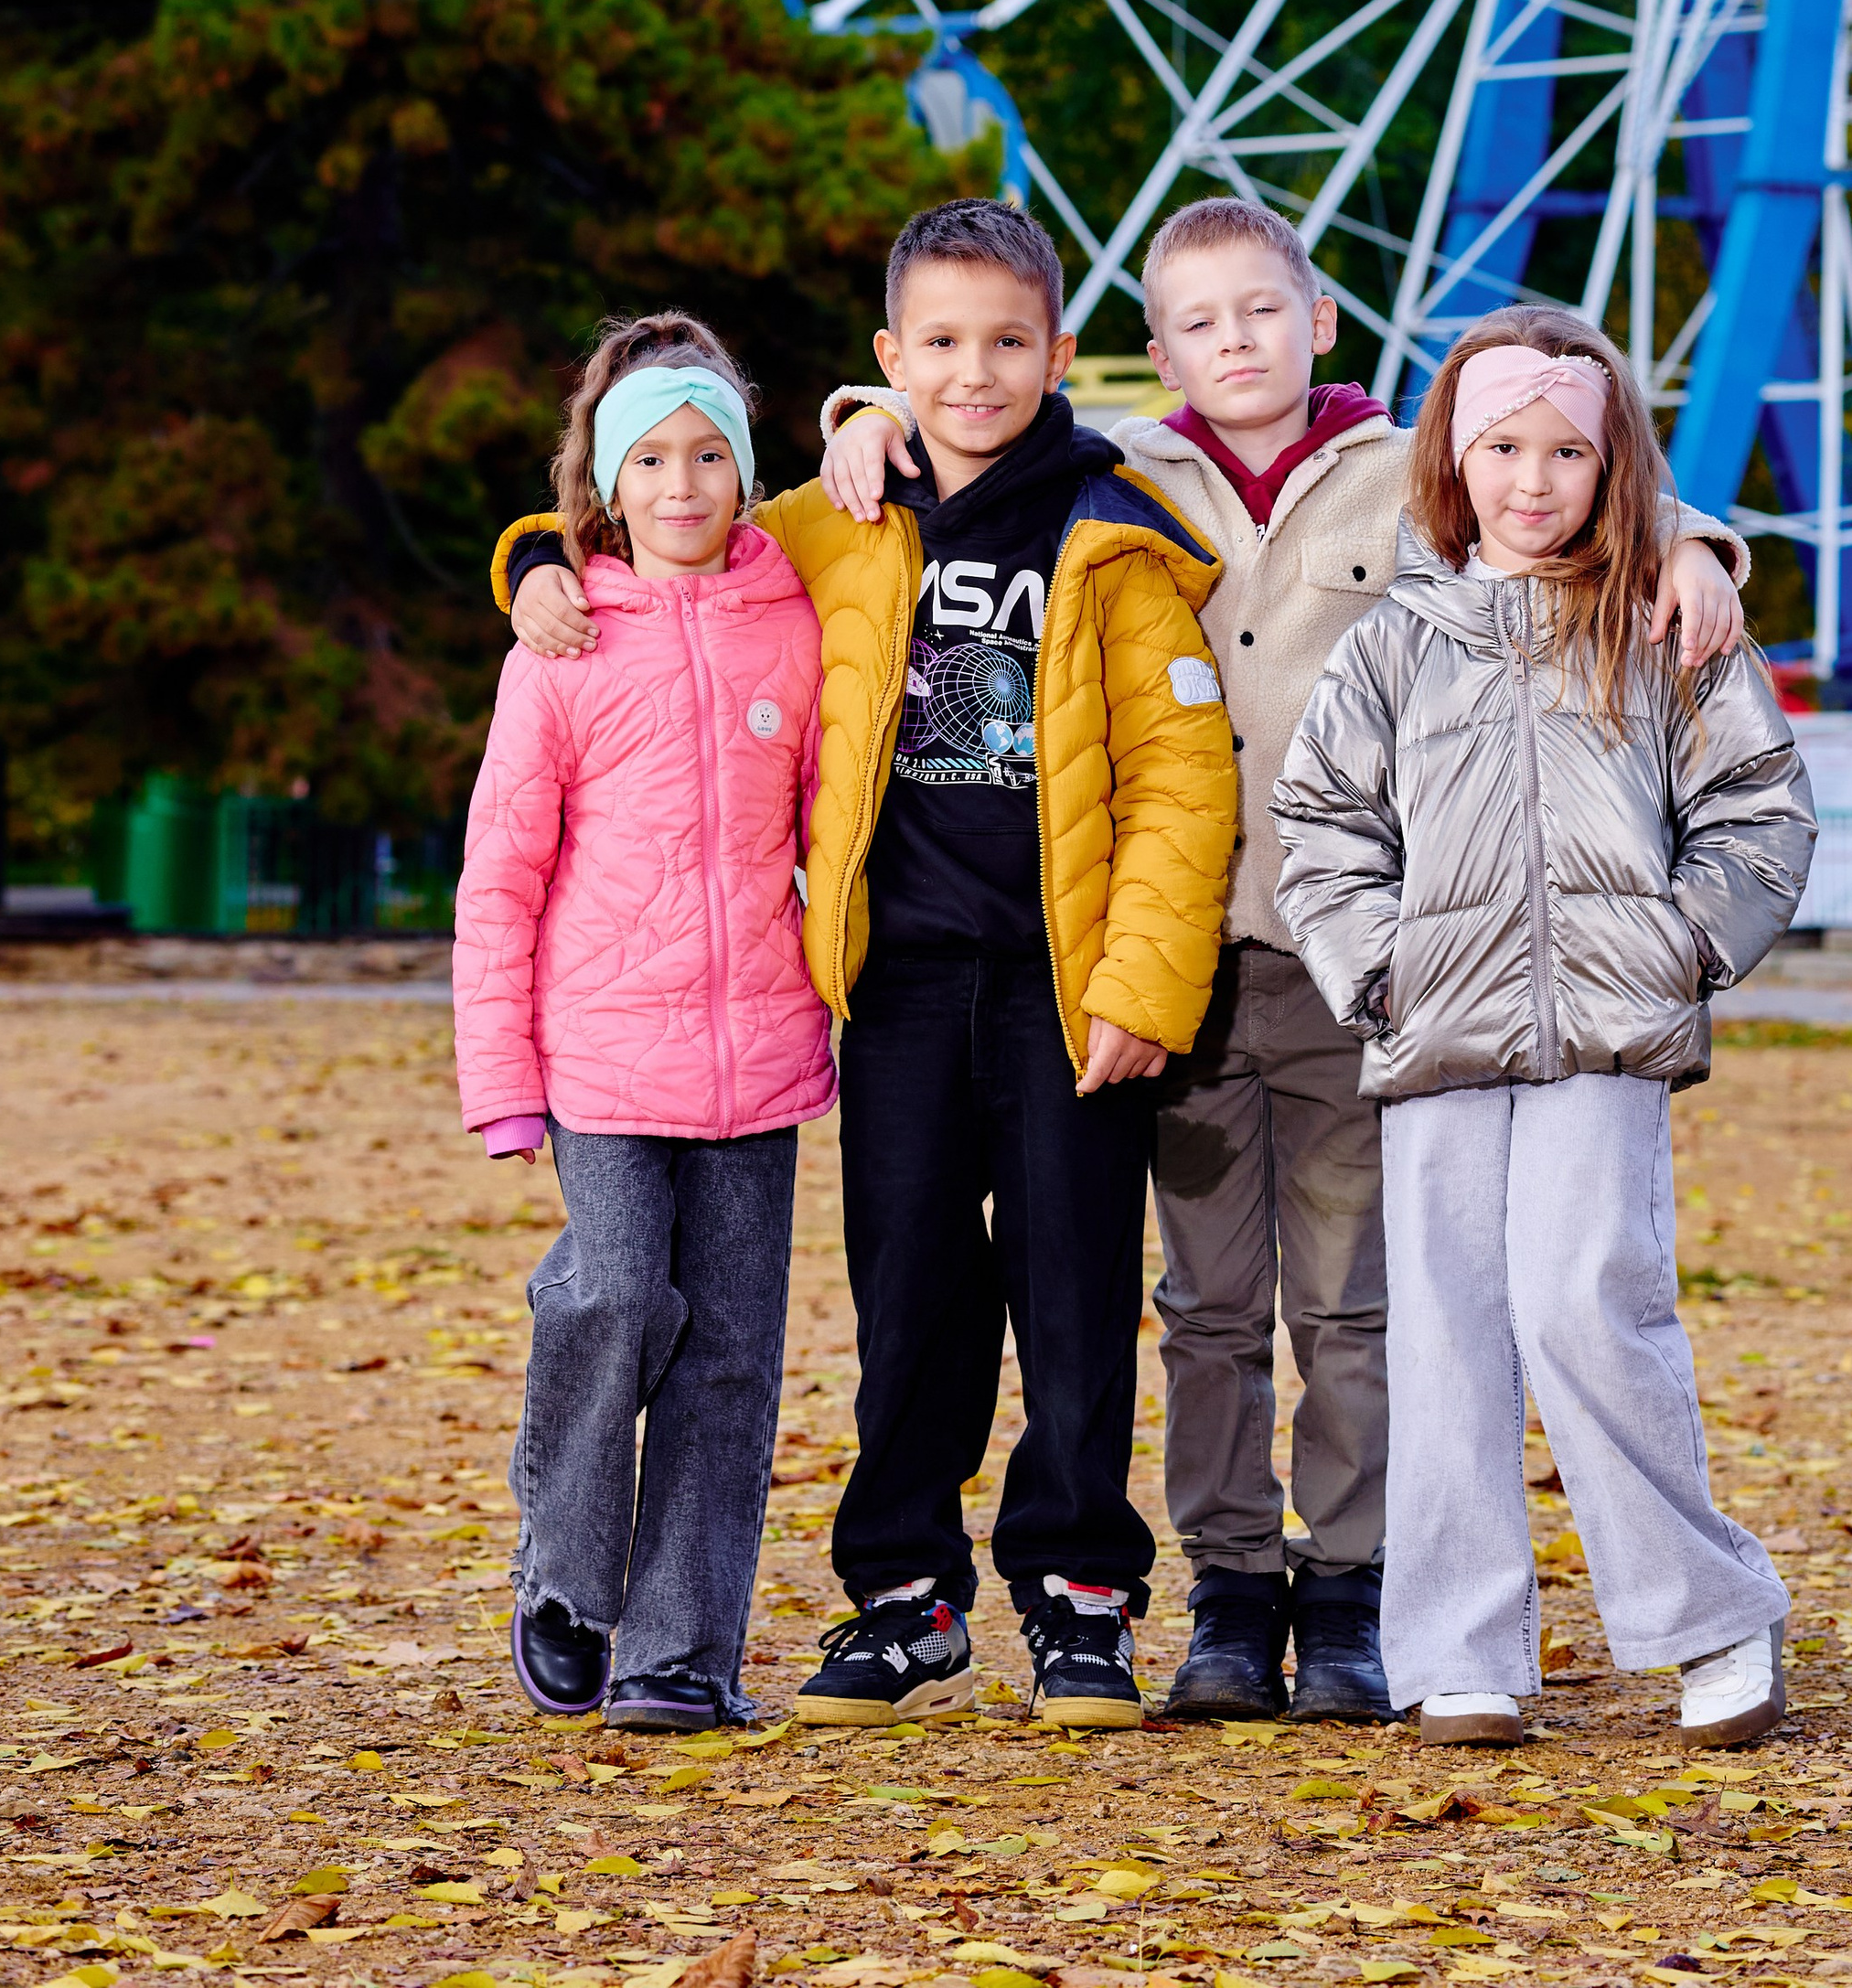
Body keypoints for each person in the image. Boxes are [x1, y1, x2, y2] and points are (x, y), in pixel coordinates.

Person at [815, 199, 1752, 1723]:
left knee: (1359, 1301)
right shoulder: (1116, 474)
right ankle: (1230, 1596)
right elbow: (955, 423)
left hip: (1364, 968)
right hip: (1179, 956)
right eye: (1195, 322)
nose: (1232, 344)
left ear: (1322, 322)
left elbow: (1575, 488)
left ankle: (1359, 1587)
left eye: (1262, 313)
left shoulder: (1412, 475)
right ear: (1147, 346)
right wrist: (860, 418)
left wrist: (1704, 548)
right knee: (1205, 1306)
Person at [493, 202, 1238, 1730]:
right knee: (908, 1294)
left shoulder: (1118, 526)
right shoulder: (828, 525)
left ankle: (1079, 1599)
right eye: (943, 347)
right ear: (893, 359)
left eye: (1011, 344)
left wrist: (1143, 989)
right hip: (893, 986)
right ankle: (905, 1598)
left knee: (1076, 1294)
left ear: (1059, 354)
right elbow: (655, 543)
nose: (977, 375)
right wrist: (529, 566)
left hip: (1067, 983)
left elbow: (1181, 775)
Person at [1271, 307, 1814, 1751]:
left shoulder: (1661, 623)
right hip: (1438, 1035)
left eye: (1568, 450)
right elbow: (1322, 828)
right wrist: (1379, 971)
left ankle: (1709, 1616)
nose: (1533, 478)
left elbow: (1759, 809)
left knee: (1590, 1300)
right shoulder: (1393, 642)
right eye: (1503, 445)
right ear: (1453, 454)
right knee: (1444, 1332)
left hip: (1608, 1034)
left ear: (1611, 462)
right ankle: (1459, 1649)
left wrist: (1681, 947)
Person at [455, 313, 835, 1736]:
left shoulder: (794, 621)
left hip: (761, 1055)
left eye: (709, 456)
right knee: (613, 1291)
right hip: (601, 1055)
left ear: (745, 471)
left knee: (731, 1360)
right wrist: (502, 1079)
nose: (683, 486)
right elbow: (501, 875)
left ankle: (682, 1655)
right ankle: (562, 1569)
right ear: (608, 485)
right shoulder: (560, 643)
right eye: (652, 460)